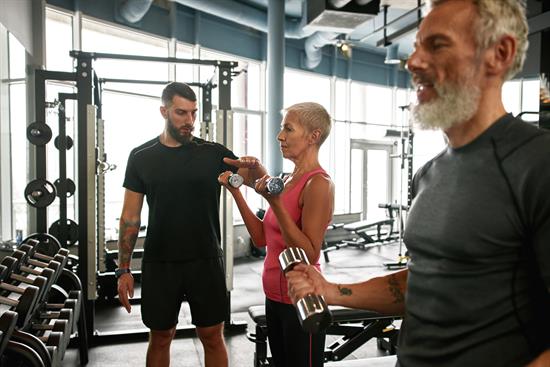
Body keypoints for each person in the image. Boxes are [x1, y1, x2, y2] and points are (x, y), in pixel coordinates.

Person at [287, 1, 550, 366]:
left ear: (499, 53)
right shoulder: (429, 174)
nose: (413, 62)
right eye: (416, 47)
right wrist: (330, 290)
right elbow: (423, 283)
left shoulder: (538, 164)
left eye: (437, 45)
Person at [116, 82, 264, 367]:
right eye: (181, 113)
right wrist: (123, 269)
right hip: (160, 262)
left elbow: (258, 182)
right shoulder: (141, 157)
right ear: (164, 111)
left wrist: (256, 167)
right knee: (160, 336)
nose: (190, 121)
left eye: (193, 113)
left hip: (205, 259)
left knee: (211, 335)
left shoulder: (213, 154)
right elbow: (130, 217)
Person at [218, 102, 335, 367]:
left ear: (313, 136)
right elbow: (261, 238)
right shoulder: (288, 179)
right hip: (274, 297)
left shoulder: (318, 183)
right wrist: (237, 192)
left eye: (288, 129)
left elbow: (309, 252)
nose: (280, 136)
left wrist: (276, 203)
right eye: (282, 129)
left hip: (302, 301)